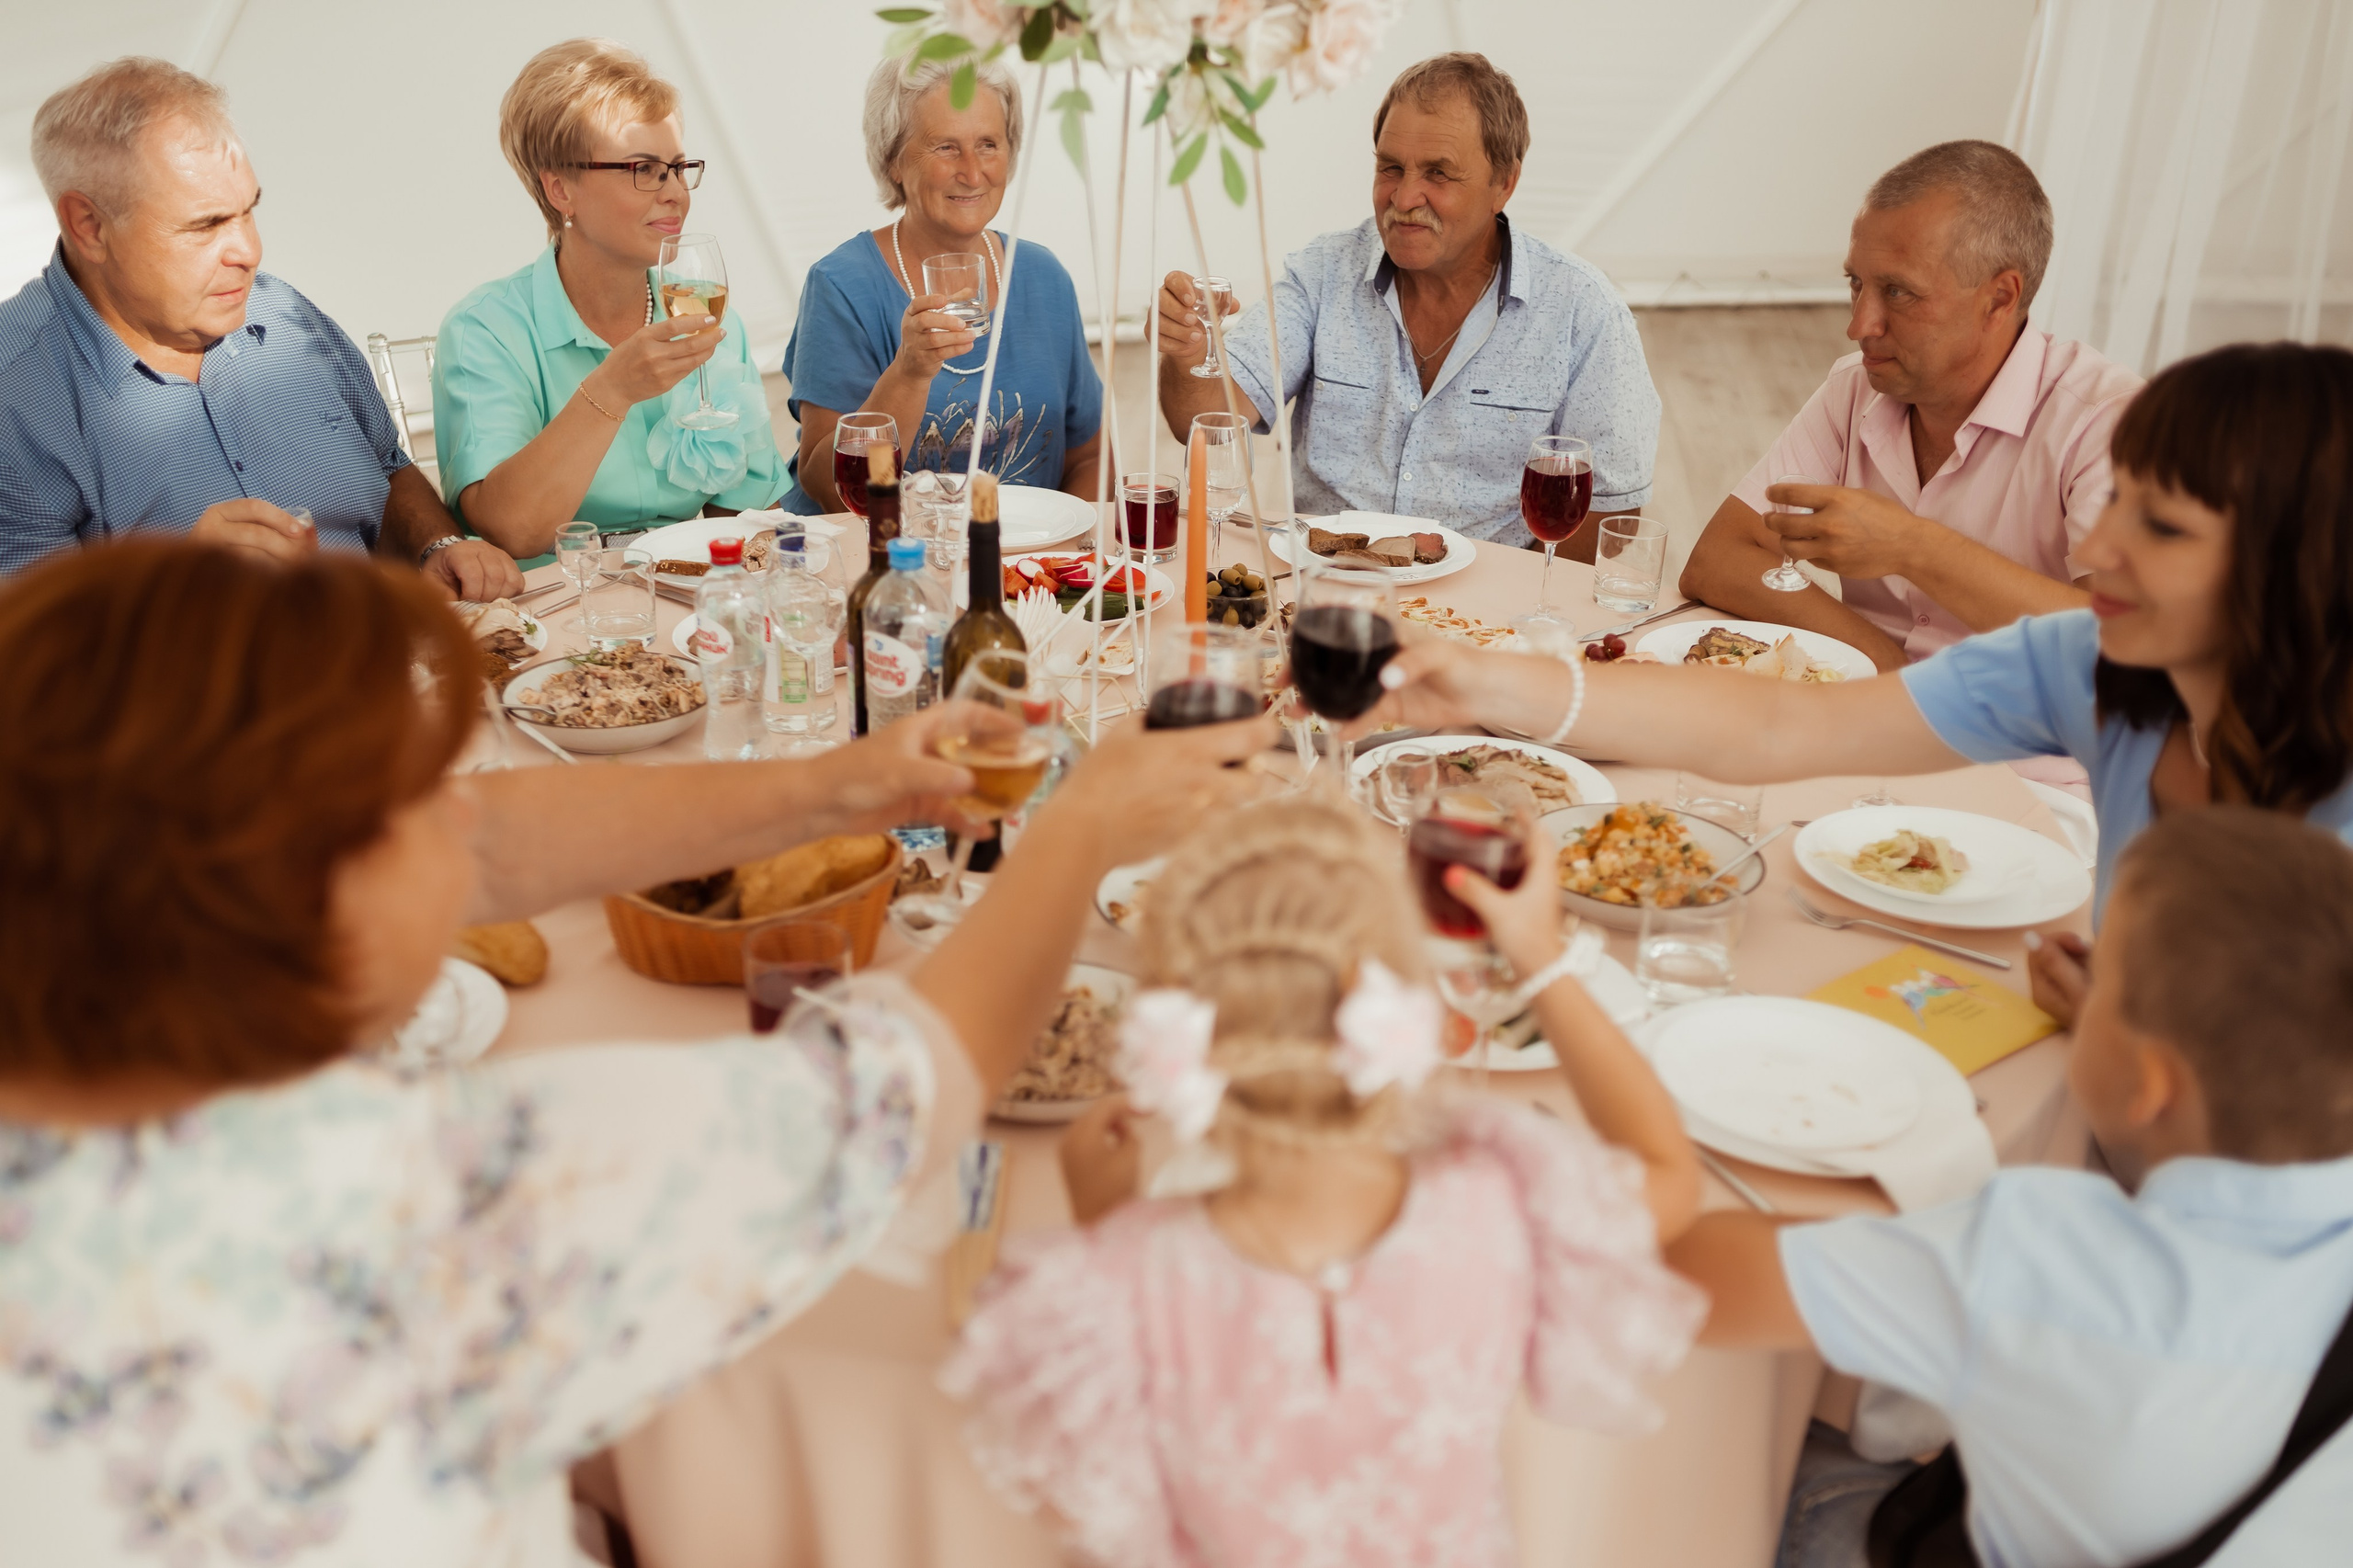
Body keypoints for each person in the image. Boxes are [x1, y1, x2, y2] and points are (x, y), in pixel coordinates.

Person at [0, 538, 1275, 1564]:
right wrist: (1080, 830)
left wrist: (849, 786)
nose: (465, 817)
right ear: (307, 888)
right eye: (416, 799)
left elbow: (492, 841)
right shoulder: (446, 1207)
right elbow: (903, 1084)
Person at [1368, 342, 2353, 1028]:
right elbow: (1780, 723)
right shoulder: (2091, 667)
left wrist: (2154, 1031)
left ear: (2296, 564)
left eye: (2162, 527)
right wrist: (1484, 679)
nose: (2094, 550)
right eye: (2117, 506)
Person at [943, 797, 1704, 1567]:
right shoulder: (1507, 1201)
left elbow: (1092, 1513)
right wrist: (1538, 954)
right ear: (1393, 993)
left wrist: (1105, 1222)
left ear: (1170, 1026)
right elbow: (1671, 1173)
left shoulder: (1114, 1287)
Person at [1670, 809, 2353, 1567]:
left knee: (1782, 1467)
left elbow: (1695, 1276)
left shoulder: (2042, 1253)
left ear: (2152, 1085)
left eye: (2108, 978)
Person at [0, 57, 521, 598]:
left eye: (248, 211)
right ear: (89, 226)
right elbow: (31, 660)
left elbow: (388, 471)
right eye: (205, 225)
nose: (250, 252)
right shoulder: (16, 394)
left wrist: (435, 547)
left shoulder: (287, 314)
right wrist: (178, 587)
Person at [1154, 52, 1658, 554]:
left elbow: (1611, 511)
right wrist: (1185, 356)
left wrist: (1511, 607)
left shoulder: (1583, 310)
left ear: (1503, 183)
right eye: (1391, 168)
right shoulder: (1323, 273)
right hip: (1327, 588)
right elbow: (1202, 422)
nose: (1404, 196)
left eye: (1438, 173)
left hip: (1483, 612)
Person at [1680, 141, 2142, 673]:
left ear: (2000, 297)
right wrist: (1889, 668)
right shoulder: (1854, 389)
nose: (1860, 326)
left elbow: (2123, 646)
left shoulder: (2109, 422)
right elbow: (1719, 559)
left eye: (1898, 292)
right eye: (1856, 283)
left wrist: (1913, 547)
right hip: (1877, 716)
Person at [435, 39, 788, 560]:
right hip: (552, 607)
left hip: (684, 592)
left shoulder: (707, 318)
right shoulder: (484, 331)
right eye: (643, 169)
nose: (675, 193)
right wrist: (613, 390)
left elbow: (750, 512)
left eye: (677, 166)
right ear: (561, 191)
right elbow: (514, 531)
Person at [780, 57, 1103, 511]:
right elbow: (825, 487)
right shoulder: (842, 284)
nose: (973, 173)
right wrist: (909, 373)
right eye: (946, 147)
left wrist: (1057, 555)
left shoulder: (1042, 276)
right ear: (893, 159)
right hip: (884, 563)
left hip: (1016, 571)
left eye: (988, 144)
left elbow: (1089, 456)